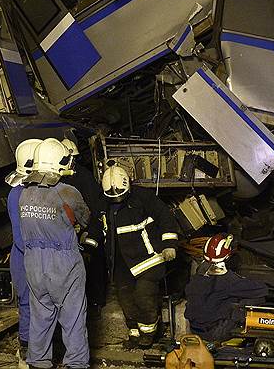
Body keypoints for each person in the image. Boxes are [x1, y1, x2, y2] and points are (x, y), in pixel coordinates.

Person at [19, 138, 91, 369]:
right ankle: (76, 363)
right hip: (63, 263)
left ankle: (37, 362)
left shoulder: (24, 194)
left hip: (33, 264)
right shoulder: (67, 192)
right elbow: (85, 219)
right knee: (73, 319)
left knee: (40, 318)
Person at [92, 165, 180, 350]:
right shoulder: (102, 202)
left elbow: (165, 217)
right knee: (126, 300)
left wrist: (169, 244)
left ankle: (148, 334)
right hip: (121, 263)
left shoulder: (143, 197)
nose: (117, 199)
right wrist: (89, 242)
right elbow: (97, 225)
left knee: (144, 296)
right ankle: (134, 333)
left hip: (148, 259)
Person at [183, 233, 268, 343]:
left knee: (220, 299)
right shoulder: (227, 279)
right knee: (255, 299)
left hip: (195, 330)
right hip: (214, 332)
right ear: (227, 256)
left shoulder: (199, 274)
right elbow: (261, 290)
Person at [6, 139, 43, 368]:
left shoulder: (24, 191)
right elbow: (22, 239)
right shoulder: (18, 195)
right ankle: (27, 353)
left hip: (28, 256)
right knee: (30, 306)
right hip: (26, 258)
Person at [60, 137, 108, 312]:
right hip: (68, 231)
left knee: (94, 262)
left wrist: (91, 232)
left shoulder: (83, 176)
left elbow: (96, 206)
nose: (71, 162)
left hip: (87, 228)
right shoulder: (57, 177)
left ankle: (96, 301)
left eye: (74, 158)